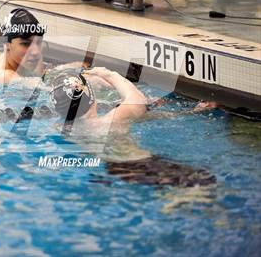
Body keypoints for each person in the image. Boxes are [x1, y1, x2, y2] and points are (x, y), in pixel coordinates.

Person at [49, 67, 216, 187]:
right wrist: (110, 75)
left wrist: (188, 113)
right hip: (142, 165)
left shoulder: (62, 128)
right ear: (92, 97)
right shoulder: (111, 120)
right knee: (204, 184)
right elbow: (137, 100)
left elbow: (141, 116)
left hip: (113, 171)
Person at [0, 8, 47, 84]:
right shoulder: (6, 77)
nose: (35, 51)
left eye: (38, 42)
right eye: (26, 44)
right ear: (7, 44)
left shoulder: (22, 55)